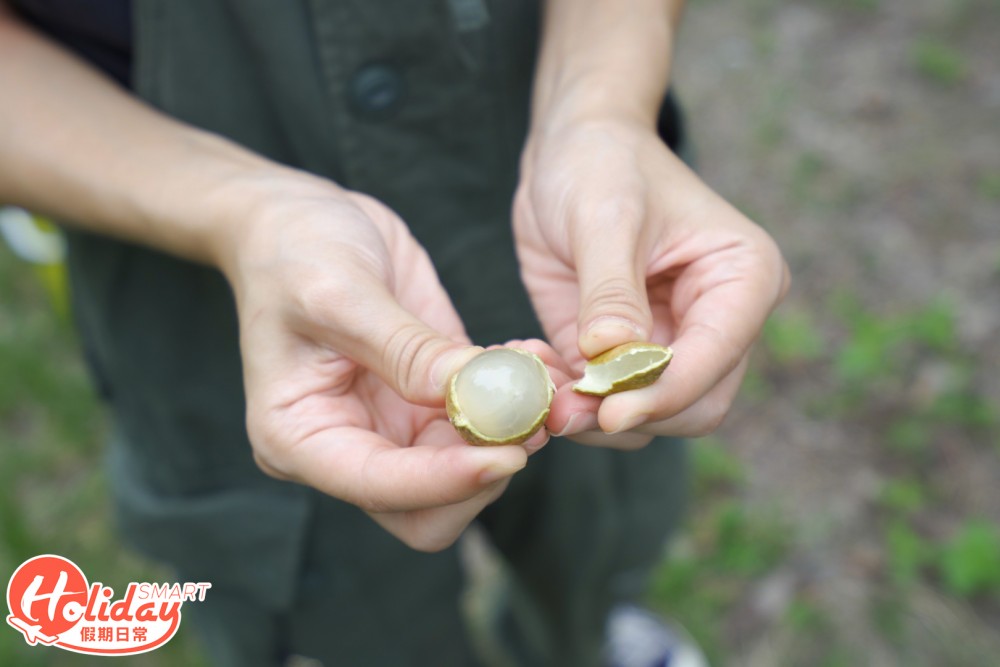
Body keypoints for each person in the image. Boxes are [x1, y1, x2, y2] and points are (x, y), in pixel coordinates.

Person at [0, 1, 789, 665]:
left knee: (593, 527)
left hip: (557, 230)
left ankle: (591, 637)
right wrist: (237, 211)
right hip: (219, 305)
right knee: (343, 610)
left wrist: (600, 103)